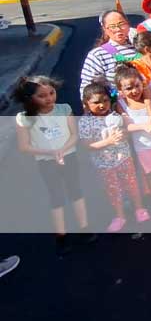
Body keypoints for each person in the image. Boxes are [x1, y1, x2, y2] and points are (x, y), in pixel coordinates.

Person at [14, 76, 94, 256]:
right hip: (47, 162)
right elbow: (24, 146)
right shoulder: (25, 118)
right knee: (56, 196)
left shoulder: (64, 109)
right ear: (30, 98)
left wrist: (62, 149)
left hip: (69, 157)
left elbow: (74, 134)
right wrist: (51, 153)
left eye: (51, 93)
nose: (49, 98)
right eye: (42, 96)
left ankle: (84, 227)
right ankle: (61, 235)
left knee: (76, 191)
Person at [79, 82, 150, 232]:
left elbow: (125, 132)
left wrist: (124, 134)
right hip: (104, 164)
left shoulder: (115, 115)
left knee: (131, 184)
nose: (102, 105)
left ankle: (139, 208)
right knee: (113, 190)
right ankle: (119, 216)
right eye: (96, 102)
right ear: (86, 103)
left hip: (123, 158)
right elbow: (87, 145)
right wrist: (108, 141)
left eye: (105, 100)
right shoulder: (85, 122)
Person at [114, 65, 151, 215]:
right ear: (121, 91)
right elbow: (128, 126)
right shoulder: (122, 105)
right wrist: (144, 126)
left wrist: (149, 103)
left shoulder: (150, 99)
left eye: (137, 86)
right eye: (129, 88)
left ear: (142, 83)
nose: (134, 91)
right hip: (142, 146)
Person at [80, 10, 137, 96]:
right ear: (105, 30)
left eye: (122, 24)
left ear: (128, 25)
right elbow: (87, 88)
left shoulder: (140, 48)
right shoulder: (97, 55)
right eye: (112, 26)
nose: (118, 29)